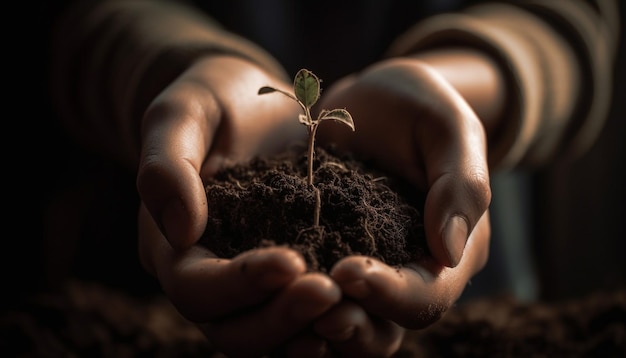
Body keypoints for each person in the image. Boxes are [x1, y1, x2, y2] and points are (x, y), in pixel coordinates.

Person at [13, 0, 619, 356]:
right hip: (139, 312)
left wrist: (471, 86)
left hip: (480, 307)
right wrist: (162, 72)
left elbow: (577, 16)